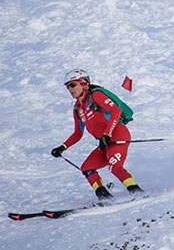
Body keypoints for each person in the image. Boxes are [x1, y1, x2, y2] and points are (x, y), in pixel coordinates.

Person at [50, 69, 144, 199]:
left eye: (73, 85)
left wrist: (107, 134)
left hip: (118, 135)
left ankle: (137, 193)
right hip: (104, 142)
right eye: (67, 86)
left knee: (115, 166)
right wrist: (62, 147)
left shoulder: (95, 95)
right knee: (87, 168)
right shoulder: (78, 108)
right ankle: (104, 197)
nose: (70, 89)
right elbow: (78, 133)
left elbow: (115, 111)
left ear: (84, 84)